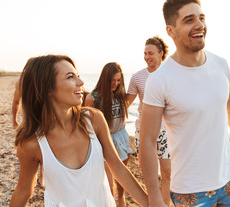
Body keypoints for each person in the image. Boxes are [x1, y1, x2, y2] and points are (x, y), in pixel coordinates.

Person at [139, 0, 230, 207]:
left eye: (201, 18)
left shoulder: (220, 65)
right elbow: (148, 141)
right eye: (189, 20)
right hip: (190, 191)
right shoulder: (160, 80)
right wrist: (155, 196)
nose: (199, 25)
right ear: (171, 31)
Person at [10, 55, 148, 207]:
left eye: (78, 76)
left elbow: (118, 168)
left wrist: (151, 203)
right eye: (70, 77)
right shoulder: (31, 143)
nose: (81, 83)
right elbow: (23, 191)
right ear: (47, 88)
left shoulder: (94, 120)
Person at [126, 36, 171, 205]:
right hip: (143, 132)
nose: (147, 57)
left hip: (167, 131)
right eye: (145, 53)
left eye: (150, 53)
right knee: (149, 176)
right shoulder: (137, 77)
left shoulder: (171, 74)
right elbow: (125, 104)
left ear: (161, 53)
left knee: (167, 173)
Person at [85, 62, 132, 207]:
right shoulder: (94, 98)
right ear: (105, 79)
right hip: (105, 141)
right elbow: (85, 123)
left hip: (122, 137)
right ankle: (111, 202)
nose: (116, 84)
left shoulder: (120, 95)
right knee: (108, 182)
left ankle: (121, 200)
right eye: (112, 80)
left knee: (122, 176)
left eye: (118, 80)